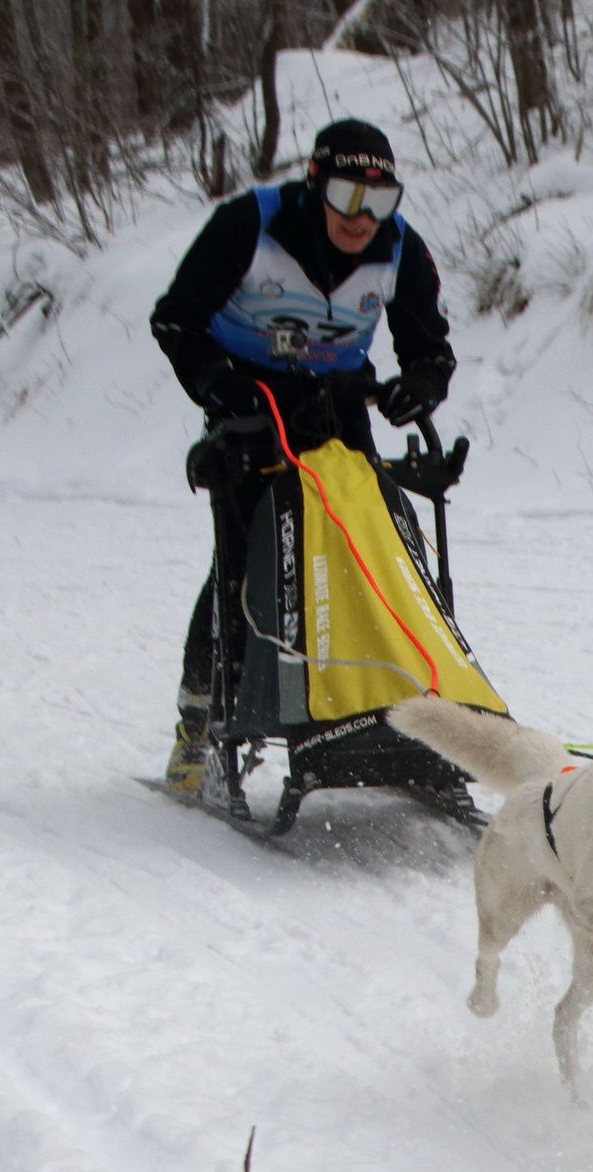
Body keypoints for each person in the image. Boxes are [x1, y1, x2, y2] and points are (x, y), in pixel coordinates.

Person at [149, 119, 457, 792]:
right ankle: (199, 720)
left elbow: (430, 349)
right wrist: (220, 387)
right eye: (348, 195)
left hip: (339, 410)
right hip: (253, 409)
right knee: (246, 564)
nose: (362, 217)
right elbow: (176, 320)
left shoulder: (401, 248)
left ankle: (378, 712)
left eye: (380, 200)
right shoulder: (250, 224)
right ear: (316, 183)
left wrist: (418, 389)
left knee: (368, 553)